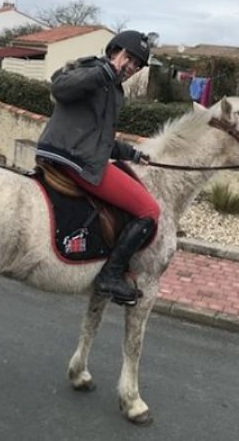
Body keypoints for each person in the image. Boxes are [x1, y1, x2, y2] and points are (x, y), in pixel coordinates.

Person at [36, 30, 161, 305]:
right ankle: (111, 275)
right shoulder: (93, 70)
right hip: (72, 160)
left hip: (79, 155)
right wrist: (107, 70)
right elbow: (60, 87)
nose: (131, 68)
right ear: (114, 50)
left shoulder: (112, 88)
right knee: (150, 211)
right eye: (129, 59)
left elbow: (99, 139)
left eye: (137, 65)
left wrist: (132, 153)